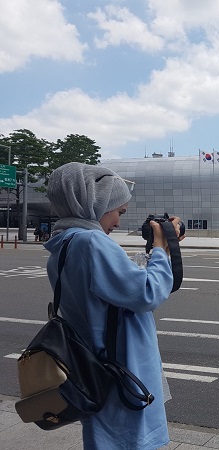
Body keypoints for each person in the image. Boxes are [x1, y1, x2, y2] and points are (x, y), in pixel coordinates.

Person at [44, 162, 184, 449]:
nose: (118, 223)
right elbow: (147, 294)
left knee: (105, 436)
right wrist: (160, 248)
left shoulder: (64, 244)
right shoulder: (92, 242)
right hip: (120, 361)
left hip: (91, 360)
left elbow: (111, 289)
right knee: (127, 438)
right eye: (118, 212)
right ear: (95, 203)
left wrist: (156, 253)